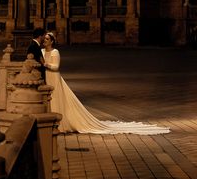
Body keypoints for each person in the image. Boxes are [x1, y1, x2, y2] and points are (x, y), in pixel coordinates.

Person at [41, 32, 169, 135]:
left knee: (57, 98)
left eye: (47, 39)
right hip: (47, 78)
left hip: (54, 77)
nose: (44, 41)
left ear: (52, 41)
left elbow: (56, 67)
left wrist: (45, 64)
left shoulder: (55, 52)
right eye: (44, 39)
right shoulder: (41, 51)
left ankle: (60, 124)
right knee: (50, 100)